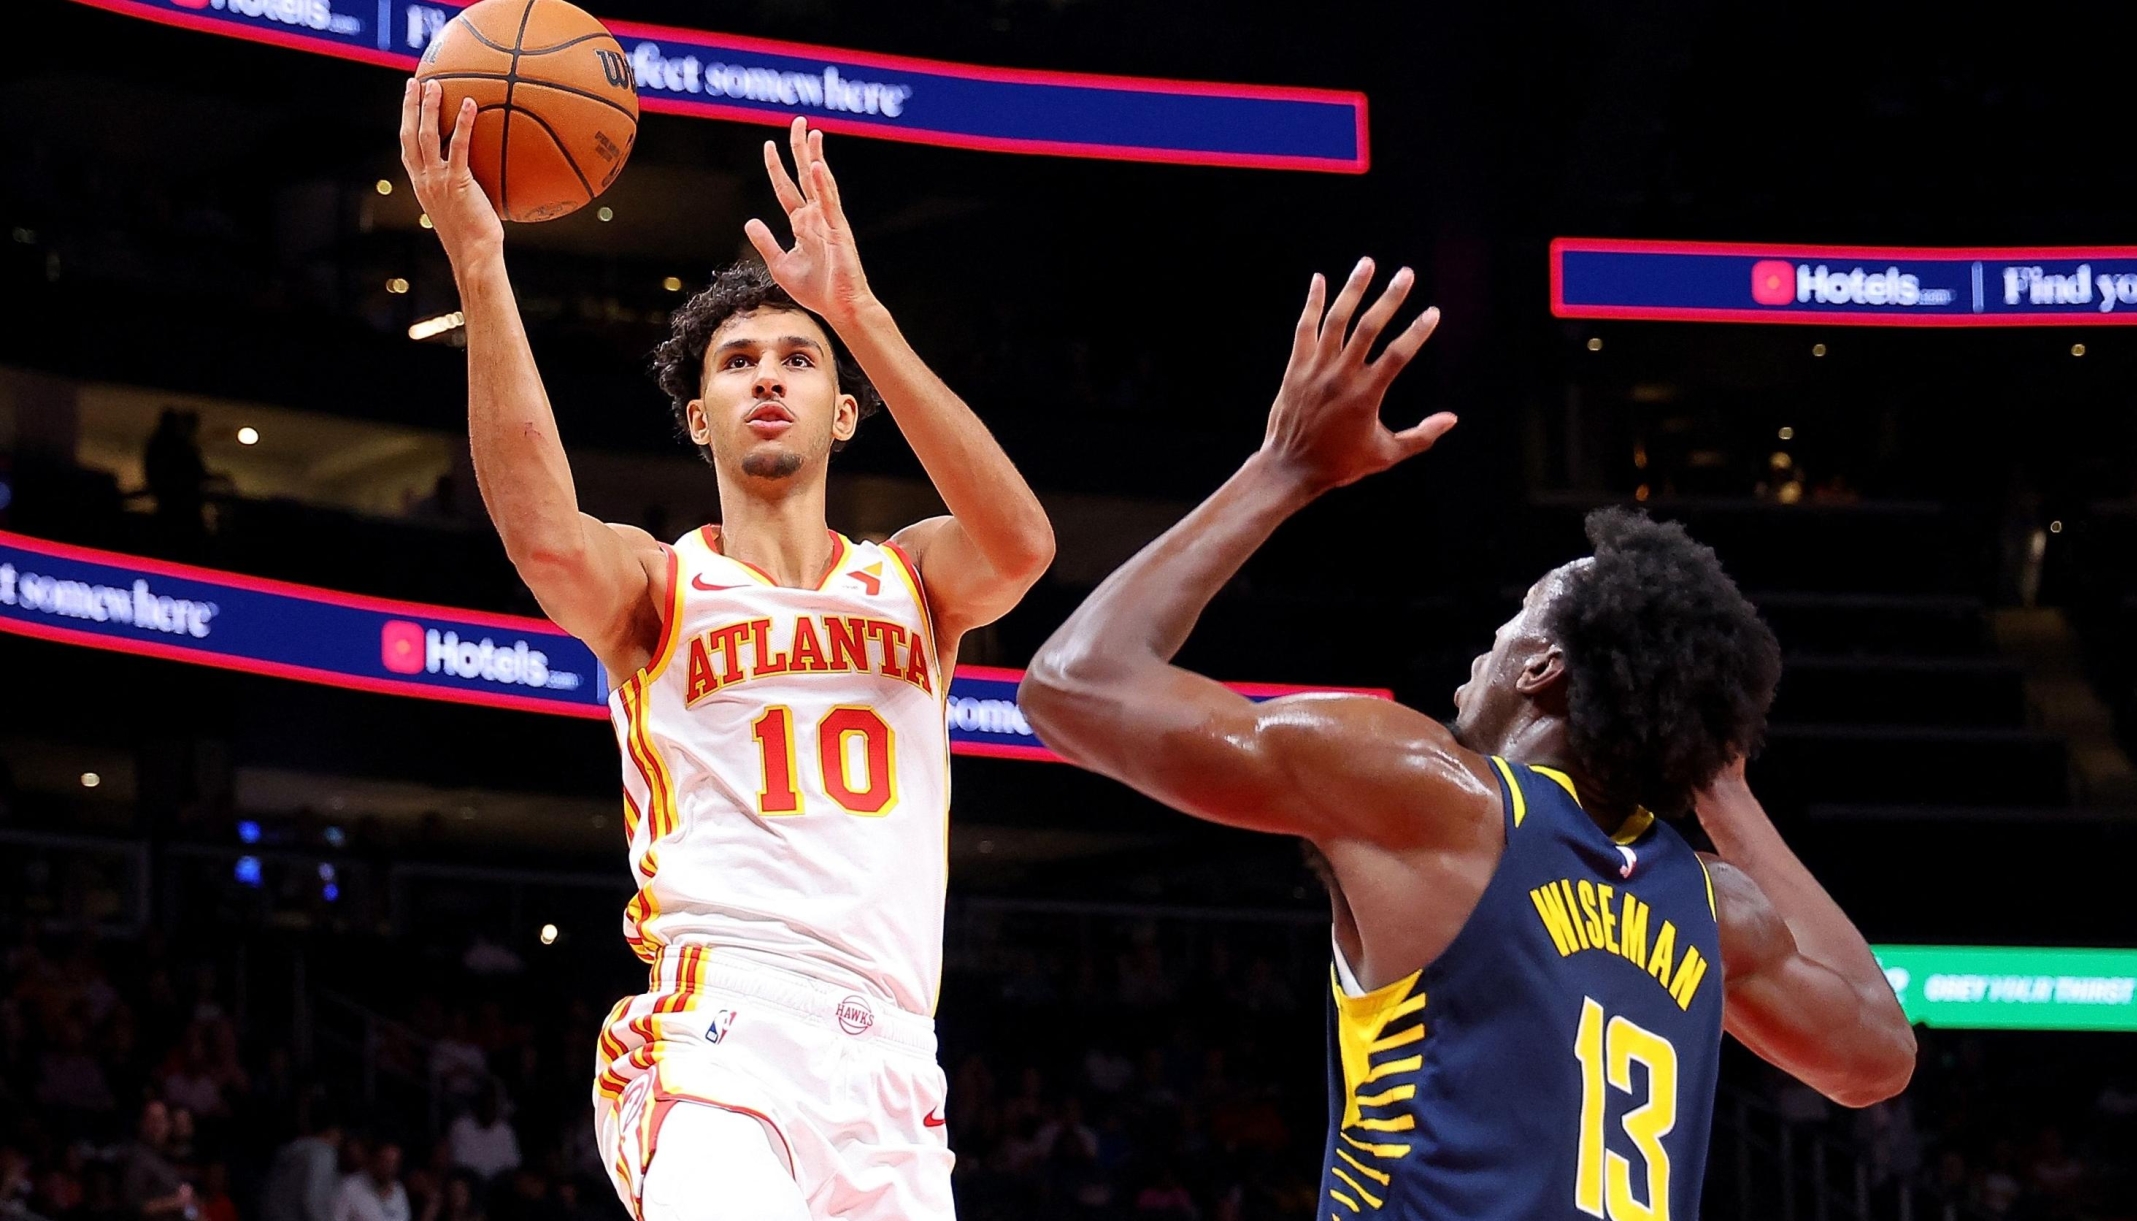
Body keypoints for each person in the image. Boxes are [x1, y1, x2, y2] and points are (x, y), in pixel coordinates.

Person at [1019, 260, 1917, 1220]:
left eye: (1517, 618)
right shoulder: (1715, 909)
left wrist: (1283, 470)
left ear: (1542, 669)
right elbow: (1876, 1053)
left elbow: (1073, 686)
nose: (1484, 644)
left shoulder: (1429, 790)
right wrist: (1725, 790)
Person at [400, 84, 1054, 1221]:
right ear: (698, 417)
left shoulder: (913, 580)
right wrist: (478, 258)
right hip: (722, 1036)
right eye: (737, 361)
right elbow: (541, 533)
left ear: (843, 411)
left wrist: (858, 314)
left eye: (799, 360)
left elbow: (1024, 544)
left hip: (898, 1064)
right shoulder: (660, 586)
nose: (766, 376)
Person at [331, 1142, 408, 1221]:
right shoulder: (350, 1187)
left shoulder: (399, 1190)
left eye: (393, 1163)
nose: (388, 1167)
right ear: (374, 1160)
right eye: (385, 1161)